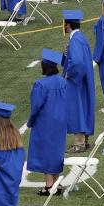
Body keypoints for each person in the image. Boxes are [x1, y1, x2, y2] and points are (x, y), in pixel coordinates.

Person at [27, 49, 69, 195]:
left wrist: (31, 121)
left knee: (46, 152)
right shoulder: (63, 82)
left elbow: (36, 106)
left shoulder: (41, 84)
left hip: (45, 122)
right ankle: (57, 183)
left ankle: (49, 185)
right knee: (56, 151)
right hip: (60, 121)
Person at [63, 9, 95, 153]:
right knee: (83, 107)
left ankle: (79, 143)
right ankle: (84, 140)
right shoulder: (81, 38)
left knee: (77, 110)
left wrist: (69, 74)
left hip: (77, 82)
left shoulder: (75, 40)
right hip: (84, 80)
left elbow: (77, 62)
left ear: (68, 25)